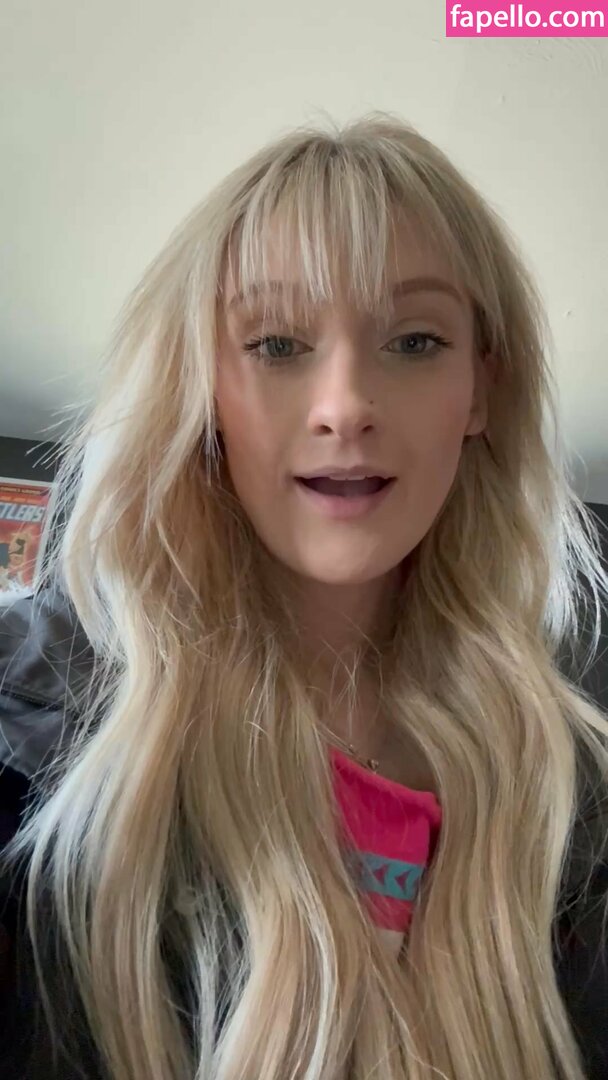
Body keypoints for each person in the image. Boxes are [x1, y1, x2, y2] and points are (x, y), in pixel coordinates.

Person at [1, 111, 608, 1080]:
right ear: (202, 386)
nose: (344, 406)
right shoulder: (32, 727)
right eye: (278, 344)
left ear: (481, 391)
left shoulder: (574, 799)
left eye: (414, 341)